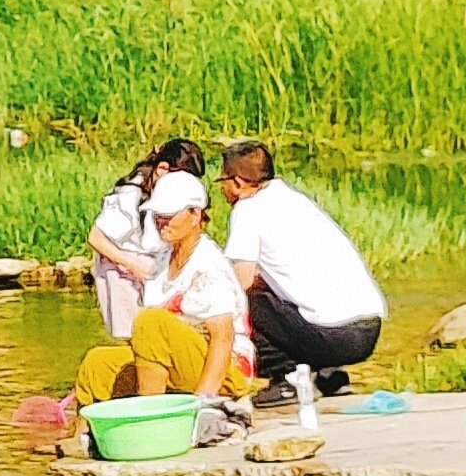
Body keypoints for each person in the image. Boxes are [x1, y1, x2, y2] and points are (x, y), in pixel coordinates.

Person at [220, 139, 386, 398]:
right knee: (283, 292)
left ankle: (287, 378)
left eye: (223, 182)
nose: (223, 191)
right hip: (368, 330)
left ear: (237, 182)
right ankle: (330, 375)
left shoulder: (247, 209)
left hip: (333, 337)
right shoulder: (295, 200)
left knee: (242, 299)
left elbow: (238, 282)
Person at [71, 174, 248, 409]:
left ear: (195, 215)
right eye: (157, 215)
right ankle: (85, 436)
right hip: (177, 363)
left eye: (168, 216)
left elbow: (223, 339)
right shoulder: (161, 261)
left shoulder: (209, 267)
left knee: (151, 321)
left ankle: (151, 417)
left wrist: (203, 402)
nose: (160, 222)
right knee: (98, 363)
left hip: (225, 372)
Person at [87, 137, 202, 340]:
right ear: (162, 169)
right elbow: (96, 238)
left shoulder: (164, 194)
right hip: (124, 274)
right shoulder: (129, 195)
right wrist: (133, 266)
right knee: (136, 336)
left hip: (152, 269)